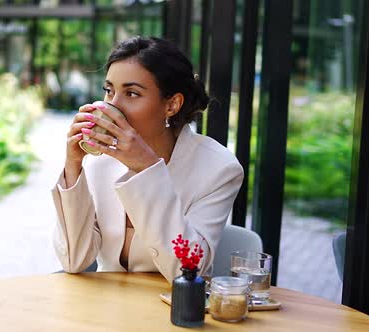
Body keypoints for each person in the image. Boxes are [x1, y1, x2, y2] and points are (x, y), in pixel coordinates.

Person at [51, 36, 244, 283]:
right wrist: (73, 166)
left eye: (131, 93)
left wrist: (147, 169)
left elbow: (187, 268)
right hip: (105, 310)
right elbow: (74, 260)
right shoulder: (100, 159)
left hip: (173, 310)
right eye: (109, 91)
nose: (113, 106)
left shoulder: (219, 169)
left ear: (172, 105)